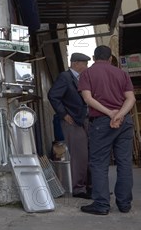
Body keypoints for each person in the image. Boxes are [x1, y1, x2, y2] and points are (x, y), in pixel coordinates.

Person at [78, 45, 136, 215]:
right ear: (110, 58)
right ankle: (124, 204)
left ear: (94, 57)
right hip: (124, 122)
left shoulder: (87, 74)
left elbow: (88, 99)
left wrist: (111, 113)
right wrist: (120, 115)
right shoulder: (122, 73)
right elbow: (130, 98)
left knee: (98, 163)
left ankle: (102, 204)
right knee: (124, 162)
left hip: (101, 122)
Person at [48, 52, 91, 198]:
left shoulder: (82, 78)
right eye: (84, 64)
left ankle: (89, 186)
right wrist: (64, 114)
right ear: (76, 63)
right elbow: (53, 95)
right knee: (79, 155)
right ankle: (79, 188)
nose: (86, 67)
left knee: (89, 154)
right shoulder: (65, 77)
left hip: (84, 120)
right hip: (72, 121)